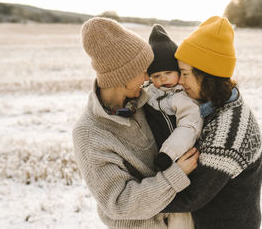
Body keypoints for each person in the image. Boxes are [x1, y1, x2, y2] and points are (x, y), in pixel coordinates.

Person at [72, 17, 199, 229]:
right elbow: (119, 203)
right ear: (122, 75)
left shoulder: (144, 102)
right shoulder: (89, 134)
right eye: (142, 70)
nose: (147, 76)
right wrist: (175, 175)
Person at [161, 16, 262, 229]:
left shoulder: (228, 132)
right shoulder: (220, 104)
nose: (180, 81)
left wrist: (136, 200)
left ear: (207, 76)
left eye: (186, 74)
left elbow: (193, 197)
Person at [144, 24, 203, 172]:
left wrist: (168, 154)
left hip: (177, 156)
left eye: (169, 72)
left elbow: (189, 126)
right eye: (156, 75)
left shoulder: (182, 97)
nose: (163, 78)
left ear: (178, 71)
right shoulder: (150, 91)